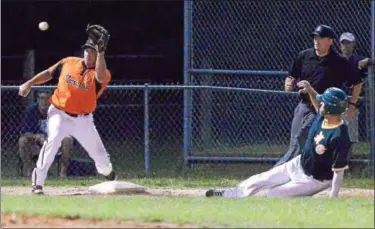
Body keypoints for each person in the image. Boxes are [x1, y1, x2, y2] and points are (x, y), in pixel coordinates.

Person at [18, 24, 117, 195]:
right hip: (59, 112)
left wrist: (101, 51)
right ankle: (38, 183)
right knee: (53, 141)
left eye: (92, 51)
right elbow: (49, 73)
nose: (88, 54)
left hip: (83, 119)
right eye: (87, 50)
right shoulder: (69, 62)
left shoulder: (102, 73)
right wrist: (29, 83)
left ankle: (108, 173)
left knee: (100, 157)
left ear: (99, 54)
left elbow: (100, 77)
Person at [206, 83, 351, 198]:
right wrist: (311, 89)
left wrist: (333, 198)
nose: (321, 105)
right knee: (261, 179)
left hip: (315, 179)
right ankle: (230, 194)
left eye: (325, 103)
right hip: (299, 163)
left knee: (274, 195)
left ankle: (302, 196)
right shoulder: (323, 115)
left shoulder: (339, 136)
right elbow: (317, 103)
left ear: (331, 108)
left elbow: (338, 172)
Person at [275, 25, 363, 167]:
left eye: (321, 38)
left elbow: (357, 83)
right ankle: (301, 173)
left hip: (324, 110)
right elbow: (292, 75)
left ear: (330, 41)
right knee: (296, 143)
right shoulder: (304, 56)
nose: (316, 40)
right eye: (315, 37)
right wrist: (288, 84)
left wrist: (352, 105)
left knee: (300, 140)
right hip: (303, 106)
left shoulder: (340, 62)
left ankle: (277, 172)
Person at [18, 90, 73, 178]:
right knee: (22, 140)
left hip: (55, 143)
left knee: (68, 139)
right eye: (42, 98)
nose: (44, 101)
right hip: (36, 144)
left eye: (47, 98)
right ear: (38, 100)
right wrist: (37, 137)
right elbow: (25, 132)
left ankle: (63, 173)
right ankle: (30, 171)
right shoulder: (31, 110)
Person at [339, 32, 375, 160]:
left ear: (353, 44)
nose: (346, 46)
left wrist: (369, 60)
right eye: (343, 43)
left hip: (352, 103)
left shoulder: (358, 60)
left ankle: (345, 162)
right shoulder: (335, 59)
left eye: (348, 43)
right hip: (335, 102)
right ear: (339, 45)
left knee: (349, 135)